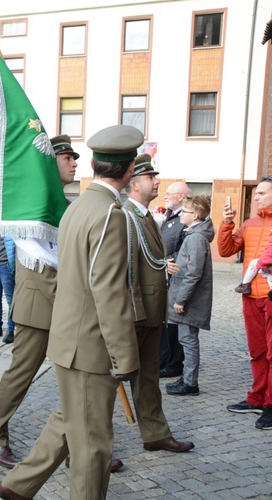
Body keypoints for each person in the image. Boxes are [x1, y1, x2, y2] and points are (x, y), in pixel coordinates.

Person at [0, 125, 142, 500]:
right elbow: (108, 291)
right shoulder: (110, 214)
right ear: (129, 170)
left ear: (94, 163)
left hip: (68, 338)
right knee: (93, 445)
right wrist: (124, 355)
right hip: (90, 344)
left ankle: (19, 484)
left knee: (71, 418)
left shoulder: (78, 207)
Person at [0, 134, 79, 470]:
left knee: (77, 374)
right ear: (49, 162)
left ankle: (78, 447)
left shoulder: (62, 202)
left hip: (64, 301)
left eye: (73, 158)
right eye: (67, 157)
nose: (74, 163)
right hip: (40, 300)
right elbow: (37, 253)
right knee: (21, 373)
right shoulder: (34, 200)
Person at [122, 154, 195, 451]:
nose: (157, 182)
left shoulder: (146, 215)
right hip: (137, 315)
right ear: (135, 183)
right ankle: (86, 448)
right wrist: (138, 313)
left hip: (153, 314)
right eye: (152, 178)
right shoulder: (125, 215)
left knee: (149, 378)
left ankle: (155, 433)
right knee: (104, 383)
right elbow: (127, 270)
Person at [219, 179, 272, 430]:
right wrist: (227, 223)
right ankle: (257, 398)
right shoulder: (250, 224)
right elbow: (226, 250)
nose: (257, 197)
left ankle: (270, 405)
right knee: (258, 352)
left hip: (271, 297)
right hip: (251, 296)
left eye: (261, 193)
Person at [165, 194, 214, 397]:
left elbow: (193, 273)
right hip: (187, 298)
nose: (181, 215)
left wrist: (180, 300)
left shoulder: (195, 238)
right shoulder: (193, 235)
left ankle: (190, 382)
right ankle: (187, 377)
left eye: (184, 212)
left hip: (189, 302)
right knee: (187, 339)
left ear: (194, 216)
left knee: (188, 340)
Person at [159, 182, 192, 378]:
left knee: (174, 324)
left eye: (169, 194)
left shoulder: (186, 217)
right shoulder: (171, 217)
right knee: (166, 322)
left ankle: (173, 363)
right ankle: (164, 359)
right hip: (166, 273)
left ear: (180, 196)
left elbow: (185, 248)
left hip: (176, 276)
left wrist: (171, 263)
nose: (165, 196)